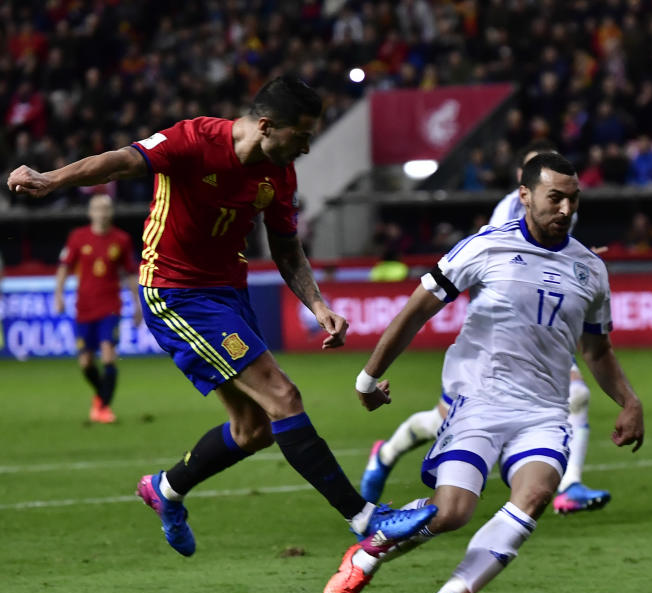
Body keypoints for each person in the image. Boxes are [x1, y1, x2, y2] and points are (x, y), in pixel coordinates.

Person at [6, 75, 436, 558]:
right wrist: (52, 178)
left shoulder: (279, 174)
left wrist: (317, 306)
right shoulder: (193, 140)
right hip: (177, 294)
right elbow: (121, 161)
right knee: (282, 396)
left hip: (228, 294)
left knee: (253, 429)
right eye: (302, 135)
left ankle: (165, 489)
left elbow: (288, 250)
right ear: (268, 126)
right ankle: (366, 518)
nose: (308, 147)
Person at [322, 152, 645, 593]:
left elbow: (596, 350)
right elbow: (417, 311)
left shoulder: (590, 270)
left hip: (544, 410)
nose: (565, 210)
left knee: (534, 495)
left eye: (572, 200)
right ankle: (365, 557)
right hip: (478, 399)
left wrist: (629, 400)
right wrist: (368, 377)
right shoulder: (484, 248)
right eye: (554, 198)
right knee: (452, 512)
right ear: (525, 196)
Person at [361, 140, 612, 515]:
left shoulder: (561, 208)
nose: (562, 202)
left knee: (574, 396)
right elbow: (496, 268)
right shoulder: (506, 217)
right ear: (523, 185)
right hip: (497, 334)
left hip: (536, 332)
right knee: (444, 420)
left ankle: (569, 485)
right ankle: (387, 454)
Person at [54, 194, 140, 423]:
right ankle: (102, 396)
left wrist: (138, 304)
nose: (102, 212)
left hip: (111, 306)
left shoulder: (121, 239)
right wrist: (58, 295)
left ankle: (103, 407)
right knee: (86, 362)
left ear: (111, 212)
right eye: (98, 208)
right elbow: (64, 267)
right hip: (84, 307)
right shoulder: (78, 237)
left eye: (106, 208)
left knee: (109, 355)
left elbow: (130, 274)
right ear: (90, 212)